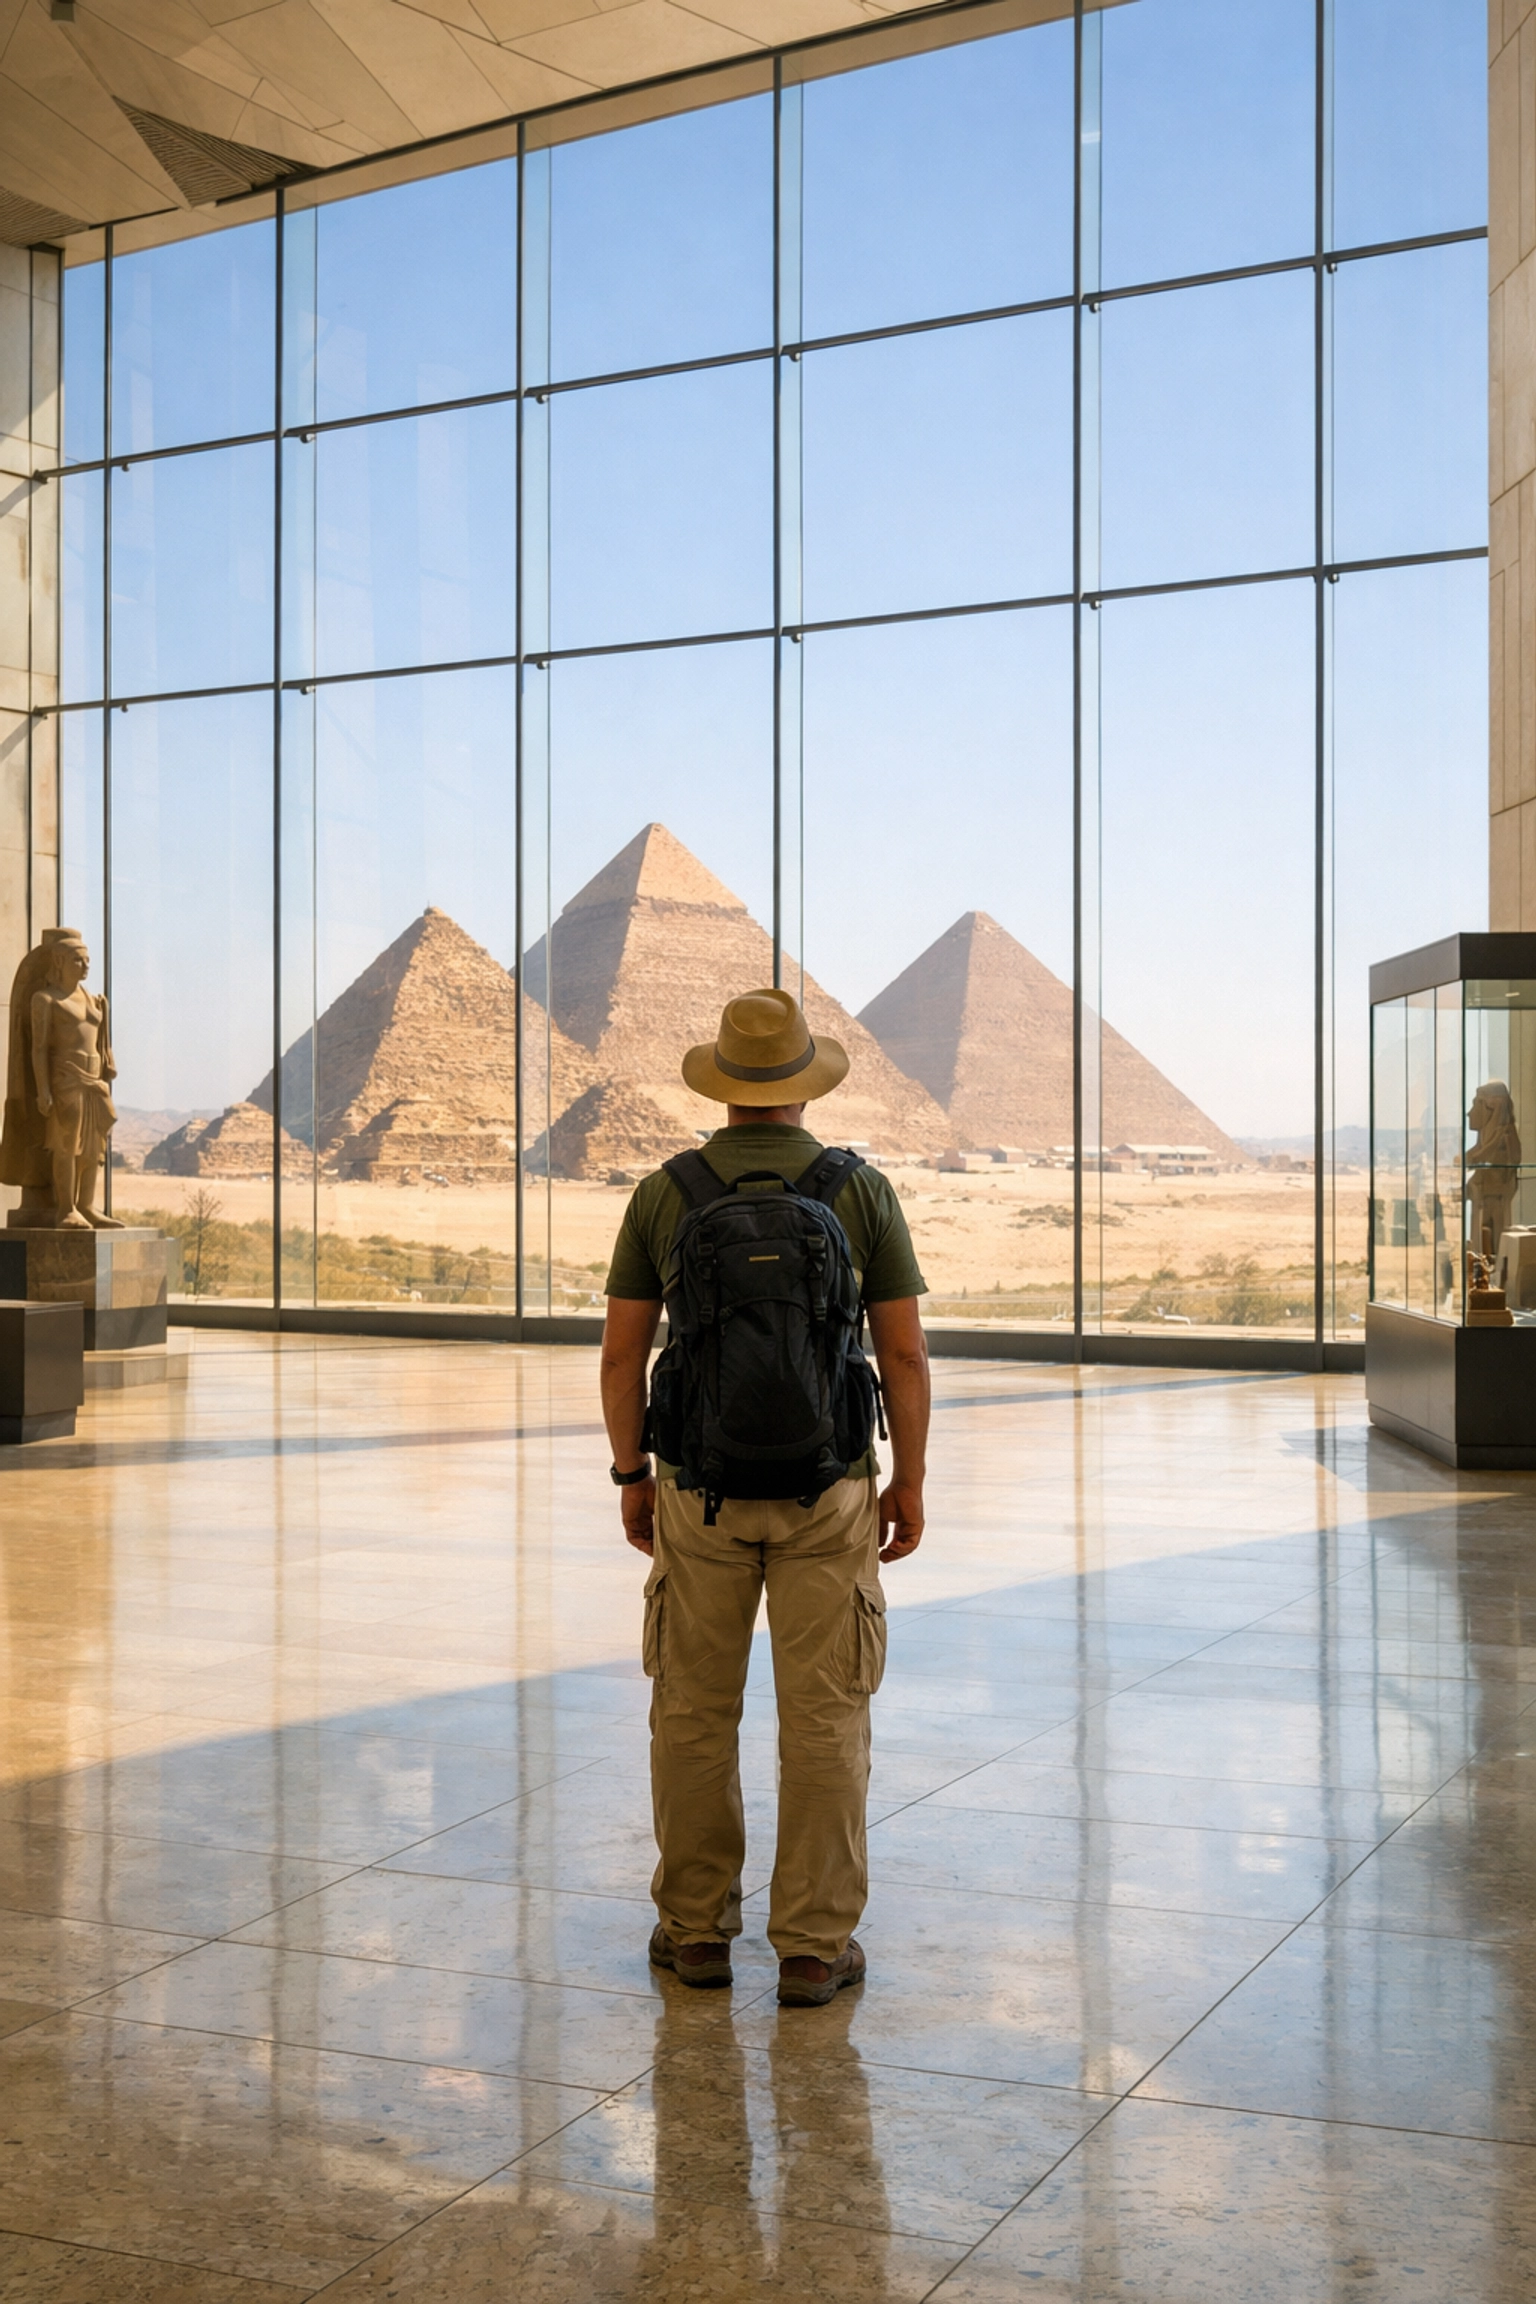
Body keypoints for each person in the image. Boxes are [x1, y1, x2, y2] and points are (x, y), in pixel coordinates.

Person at [600, 986, 931, 2009]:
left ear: (723, 1084)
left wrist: (632, 1474)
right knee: (825, 1715)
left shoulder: (666, 1193)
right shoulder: (858, 1191)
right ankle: (813, 1948)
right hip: (830, 1487)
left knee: (692, 1712)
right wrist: (909, 1479)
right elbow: (904, 1355)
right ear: (804, 1084)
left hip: (696, 1487)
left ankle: (696, 1931)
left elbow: (620, 1357)